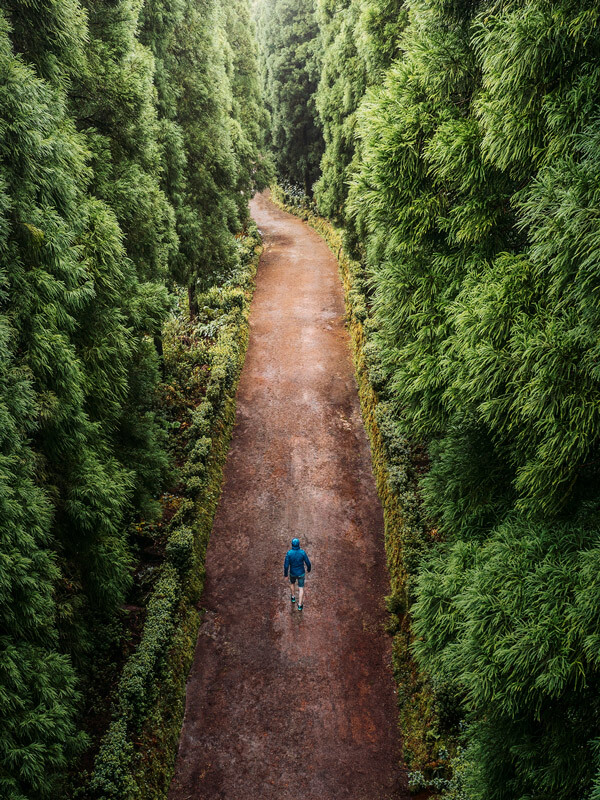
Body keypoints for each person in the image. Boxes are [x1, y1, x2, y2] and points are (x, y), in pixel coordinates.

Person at [284, 537, 311, 611]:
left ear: (292, 544)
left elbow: (286, 565)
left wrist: (286, 575)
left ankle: (293, 597)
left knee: (292, 583)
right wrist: (308, 569)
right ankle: (300, 605)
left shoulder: (289, 553)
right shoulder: (302, 552)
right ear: (299, 544)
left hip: (292, 572)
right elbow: (308, 563)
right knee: (301, 588)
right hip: (301, 573)